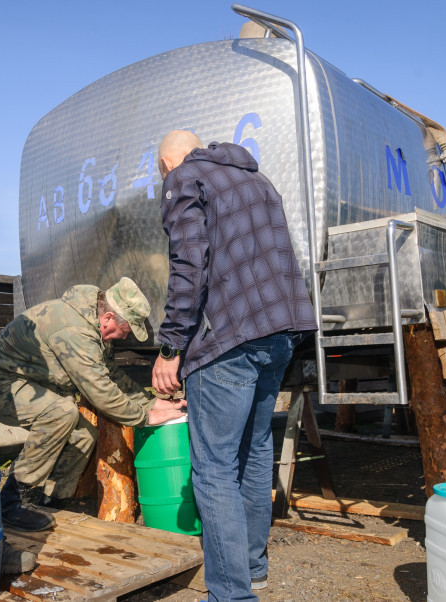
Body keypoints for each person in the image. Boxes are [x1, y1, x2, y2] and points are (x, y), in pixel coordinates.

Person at [152, 130, 317, 601]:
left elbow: (189, 264)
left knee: (214, 468)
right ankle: (252, 569)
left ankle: (231, 594)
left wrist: (171, 347)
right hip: (281, 332)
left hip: (227, 341)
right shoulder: (257, 179)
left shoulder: (183, 178)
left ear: (167, 164)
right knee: (255, 450)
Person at [0, 277, 187, 531]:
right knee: (61, 413)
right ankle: (13, 502)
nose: (123, 337)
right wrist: (145, 418)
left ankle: (51, 501)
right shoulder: (75, 330)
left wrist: (151, 404)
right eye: (125, 331)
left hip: (28, 382)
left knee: (84, 432)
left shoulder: (91, 322)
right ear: (109, 319)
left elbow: (110, 375)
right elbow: (100, 392)